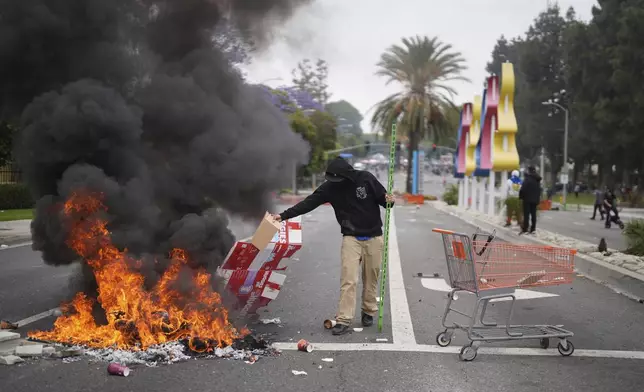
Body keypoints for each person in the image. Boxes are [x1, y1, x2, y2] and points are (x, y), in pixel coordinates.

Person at [273, 157, 395, 336]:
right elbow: (308, 203)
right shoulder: (330, 187)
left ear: (346, 175)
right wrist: (282, 216)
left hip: (374, 237)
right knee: (349, 280)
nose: (334, 183)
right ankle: (344, 319)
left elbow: (384, 201)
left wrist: (389, 200)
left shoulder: (366, 178)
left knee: (371, 277)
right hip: (350, 238)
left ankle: (368, 311)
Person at [519, 166, 542, 234]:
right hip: (535, 200)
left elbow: (523, 189)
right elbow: (539, 190)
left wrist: (521, 197)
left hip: (527, 199)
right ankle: (533, 229)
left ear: (529, 171)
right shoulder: (537, 179)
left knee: (526, 214)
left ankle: (525, 229)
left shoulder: (527, 179)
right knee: (533, 214)